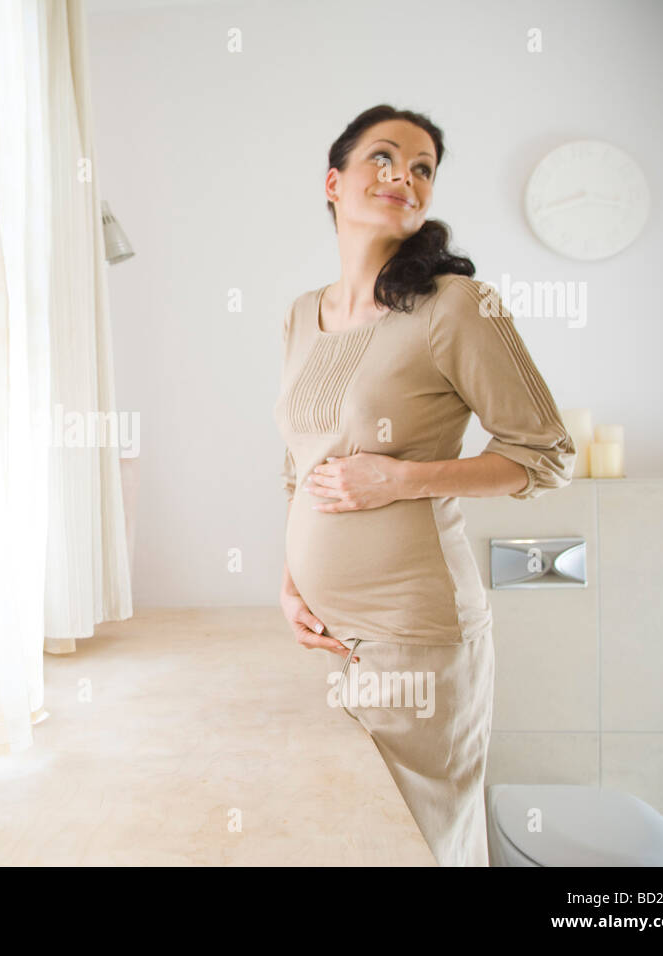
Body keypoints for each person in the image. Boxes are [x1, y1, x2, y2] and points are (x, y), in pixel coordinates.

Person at [275, 104, 576, 866]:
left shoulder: (457, 306)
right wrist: (290, 582)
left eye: (421, 168)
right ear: (333, 183)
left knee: (423, 845)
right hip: (327, 636)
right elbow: (300, 466)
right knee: (351, 840)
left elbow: (543, 454)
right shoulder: (301, 316)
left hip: (417, 639)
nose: (403, 176)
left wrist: (399, 479)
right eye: (383, 158)